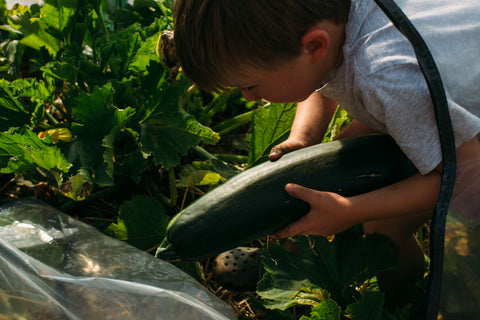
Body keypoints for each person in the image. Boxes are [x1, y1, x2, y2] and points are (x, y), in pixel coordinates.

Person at [172, 0, 480, 298]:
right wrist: (304, 137)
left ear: (315, 46)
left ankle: (400, 300)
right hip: (437, 89)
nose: (249, 97)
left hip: (468, 137)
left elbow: (463, 176)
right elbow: (320, 76)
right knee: (338, 164)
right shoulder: (335, 26)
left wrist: (351, 211)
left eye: (249, 86)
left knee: (380, 229)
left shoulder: (387, 79)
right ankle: (289, 257)